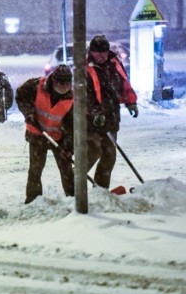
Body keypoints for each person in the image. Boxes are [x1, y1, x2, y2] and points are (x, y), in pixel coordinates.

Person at [16, 65, 75, 204]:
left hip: (59, 138)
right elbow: (21, 95)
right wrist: (28, 112)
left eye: (67, 84)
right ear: (53, 81)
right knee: (35, 169)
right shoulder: (37, 86)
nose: (63, 87)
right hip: (37, 134)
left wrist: (69, 148)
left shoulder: (72, 99)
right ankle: (33, 199)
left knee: (66, 170)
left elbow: (72, 127)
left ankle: (73, 198)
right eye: (60, 83)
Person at [85, 34, 138, 189]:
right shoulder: (85, 67)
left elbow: (123, 84)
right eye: (97, 52)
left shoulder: (114, 63)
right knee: (92, 153)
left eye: (104, 52)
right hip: (90, 120)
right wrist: (96, 112)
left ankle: (100, 191)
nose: (101, 56)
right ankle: (74, 187)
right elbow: (84, 95)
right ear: (91, 51)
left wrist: (130, 102)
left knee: (109, 155)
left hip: (111, 116)